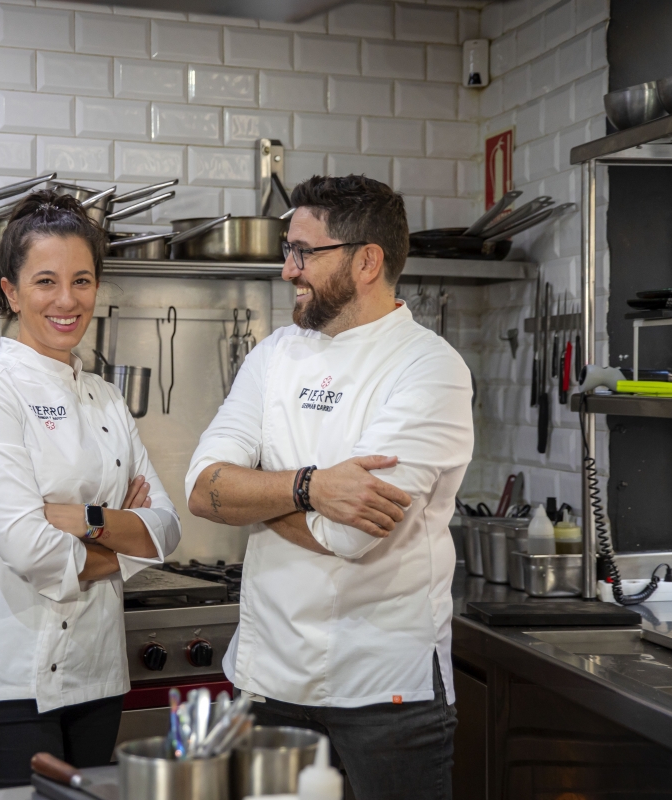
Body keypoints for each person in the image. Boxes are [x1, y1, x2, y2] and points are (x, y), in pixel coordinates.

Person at [185, 175, 474, 799]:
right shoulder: (274, 355)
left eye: (304, 252)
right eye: (288, 250)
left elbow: (350, 538)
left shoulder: (430, 369)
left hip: (386, 694)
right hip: (269, 683)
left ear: (367, 260)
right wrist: (311, 489)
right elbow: (203, 489)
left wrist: (255, 501)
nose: (289, 271)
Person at [0, 191, 181, 791]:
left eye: (82, 280)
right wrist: (122, 539)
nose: (67, 300)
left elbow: (168, 529)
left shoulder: (107, 398)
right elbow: (29, 548)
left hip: (98, 678)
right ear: (10, 292)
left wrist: (82, 518)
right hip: (6, 677)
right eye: (46, 280)